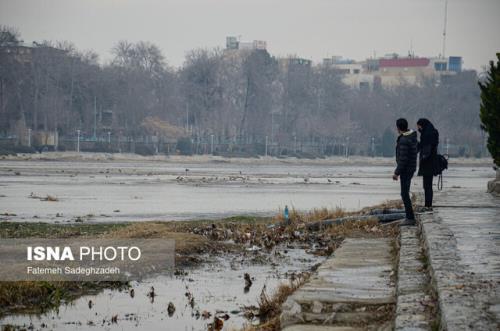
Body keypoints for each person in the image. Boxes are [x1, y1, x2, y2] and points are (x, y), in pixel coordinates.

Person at [393, 118, 418, 226]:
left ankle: (410, 217)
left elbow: (403, 159)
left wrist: (396, 173)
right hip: (411, 168)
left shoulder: (404, 140)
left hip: (406, 169)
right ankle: (409, 216)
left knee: (404, 193)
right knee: (405, 192)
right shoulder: (412, 137)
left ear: (398, 128)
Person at [416, 118, 439, 210]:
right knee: (428, 185)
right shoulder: (432, 133)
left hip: (427, 163)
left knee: (427, 185)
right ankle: (428, 204)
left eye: (419, 126)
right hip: (431, 162)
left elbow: (425, 149)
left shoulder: (427, 135)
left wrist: (423, 157)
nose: (418, 128)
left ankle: (428, 205)